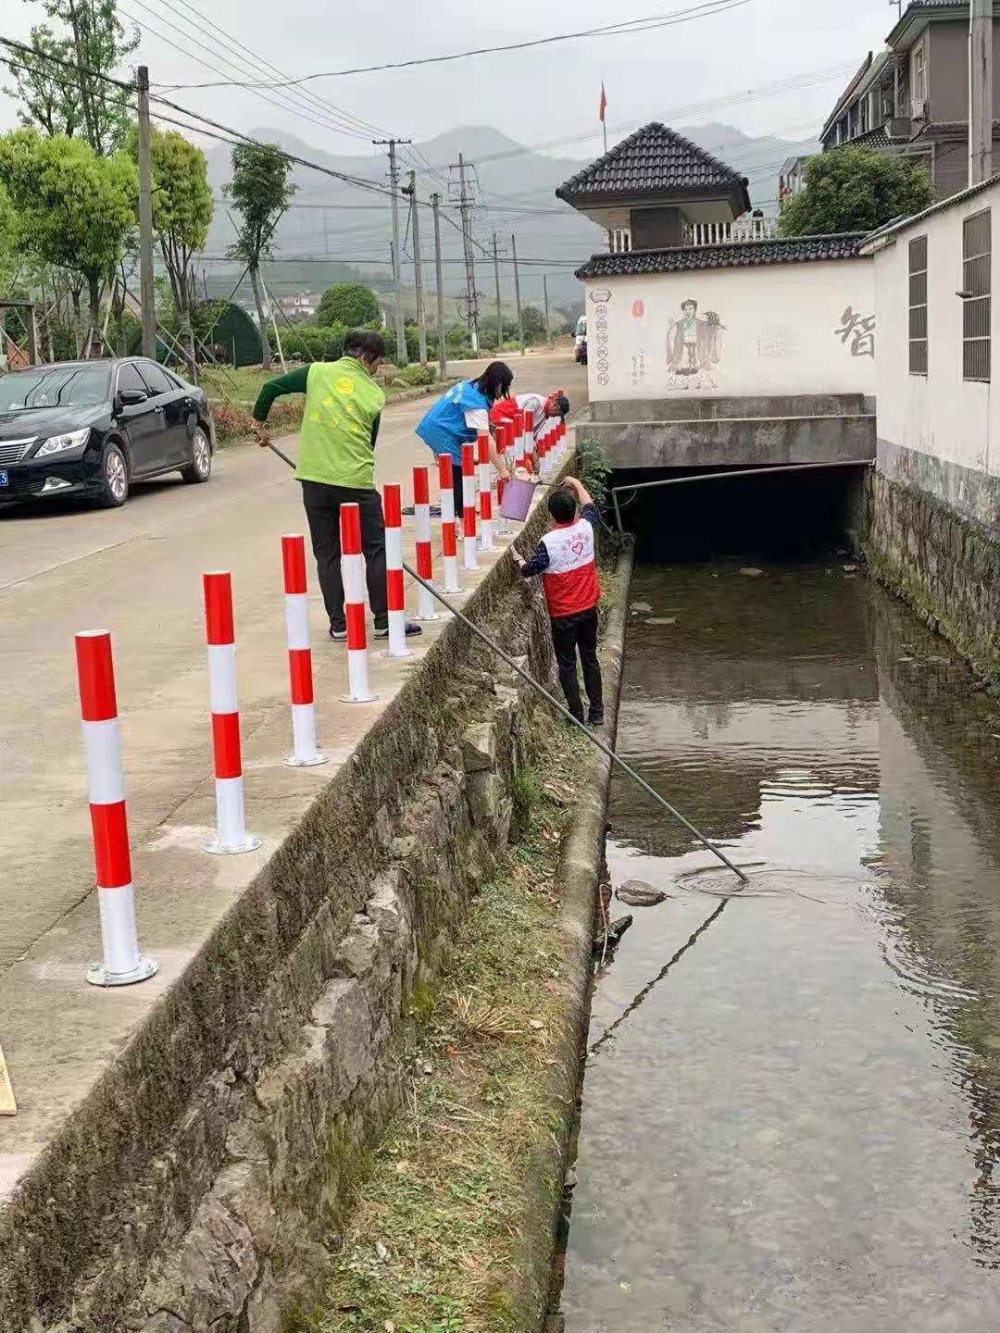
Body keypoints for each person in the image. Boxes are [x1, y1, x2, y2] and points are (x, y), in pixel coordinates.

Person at [251, 328, 420, 642]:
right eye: (376, 363)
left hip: (315, 481)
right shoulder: (373, 394)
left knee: (327, 553)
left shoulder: (316, 372)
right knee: (375, 549)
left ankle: (339, 625)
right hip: (356, 482)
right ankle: (383, 620)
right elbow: (368, 443)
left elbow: (271, 387)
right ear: (369, 359)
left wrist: (259, 424)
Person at [512, 475, 603, 727]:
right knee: (590, 658)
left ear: (551, 515)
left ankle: (576, 715)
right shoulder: (586, 527)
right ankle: (597, 712)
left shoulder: (548, 542)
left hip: (563, 614)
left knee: (567, 664)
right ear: (574, 512)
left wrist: (518, 559)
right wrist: (577, 483)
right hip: (588, 609)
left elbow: (530, 569)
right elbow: (591, 507)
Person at [415, 362, 513, 518]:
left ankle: (459, 511)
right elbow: (484, 439)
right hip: (442, 431)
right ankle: (462, 521)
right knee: (458, 475)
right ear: (498, 384)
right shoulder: (476, 403)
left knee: (455, 474)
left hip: (436, 423)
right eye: (505, 387)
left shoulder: (472, 385)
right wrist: (502, 469)